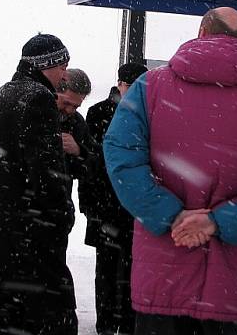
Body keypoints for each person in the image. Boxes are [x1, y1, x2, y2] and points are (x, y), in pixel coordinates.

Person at [104, 7, 237, 334]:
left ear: (201, 33)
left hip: (161, 274)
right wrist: (218, 221)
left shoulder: (149, 87)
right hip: (228, 283)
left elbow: (121, 157)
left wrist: (171, 215)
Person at [0, 34, 77, 335]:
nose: (65, 73)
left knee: (7, 318)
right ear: (45, 65)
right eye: (62, 65)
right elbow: (46, 173)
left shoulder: (3, 94)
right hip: (30, 234)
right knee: (52, 318)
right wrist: (61, 215)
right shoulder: (38, 98)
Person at [82, 61, 149, 335]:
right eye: (133, 86)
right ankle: (107, 323)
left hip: (136, 208)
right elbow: (90, 162)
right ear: (120, 85)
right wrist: (89, 206)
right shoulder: (98, 113)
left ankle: (130, 322)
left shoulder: (151, 114)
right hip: (106, 205)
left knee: (135, 269)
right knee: (107, 269)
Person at [56, 68, 93, 197]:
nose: (70, 110)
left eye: (76, 107)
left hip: (60, 202)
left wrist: (78, 151)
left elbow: (90, 168)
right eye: (66, 103)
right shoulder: (34, 113)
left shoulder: (77, 122)